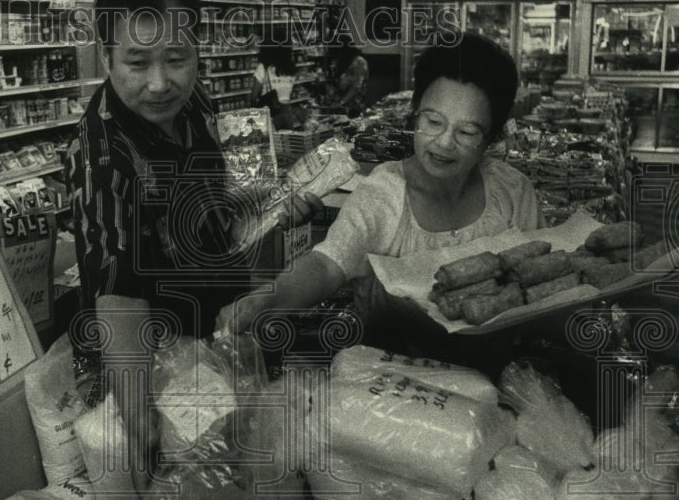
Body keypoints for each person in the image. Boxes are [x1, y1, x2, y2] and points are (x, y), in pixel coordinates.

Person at [63, 0, 320, 495]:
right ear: (105, 58)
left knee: (259, 480)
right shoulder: (102, 159)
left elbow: (209, 197)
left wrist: (268, 205)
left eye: (176, 60)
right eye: (137, 63)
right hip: (165, 371)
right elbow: (120, 309)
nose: (159, 83)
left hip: (226, 333)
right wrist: (152, 445)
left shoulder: (195, 103)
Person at [216, 33, 545, 352]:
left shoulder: (512, 192)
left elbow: (539, 282)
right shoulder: (385, 192)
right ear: (415, 113)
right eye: (432, 122)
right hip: (389, 382)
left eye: (467, 131)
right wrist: (269, 299)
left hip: (498, 371)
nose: (444, 142)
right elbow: (328, 264)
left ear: (491, 137)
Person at [250, 42, 302, 130]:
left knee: (272, 142)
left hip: (270, 113)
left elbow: (254, 94)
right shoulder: (291, 69)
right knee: (287, 140)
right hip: (287, 112)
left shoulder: (263, 67)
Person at [332, 35, 369, 117]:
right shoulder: (344, 61)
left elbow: (356, 87)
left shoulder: (359, 62)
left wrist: (341, 102)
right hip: (342, 106)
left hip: (355, 107)